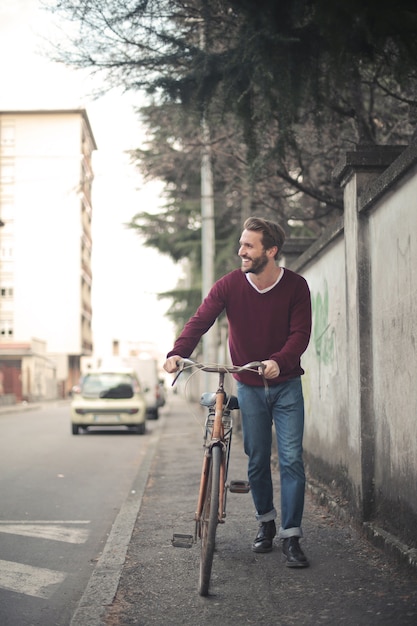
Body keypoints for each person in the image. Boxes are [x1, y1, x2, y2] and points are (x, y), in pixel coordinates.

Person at [164, 216, 311, 568]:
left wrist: (279, 360)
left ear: (271, 251)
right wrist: (177, 352)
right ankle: (266, 523)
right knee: (258, 460)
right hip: (248, 386)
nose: (240, 251)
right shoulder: (229, 285)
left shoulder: (296, 287)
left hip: (286, 385)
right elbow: (200, 321)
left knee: (291, 460)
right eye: (241, 244)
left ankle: (291, 536)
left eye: (248, 246)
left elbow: (300, 334)